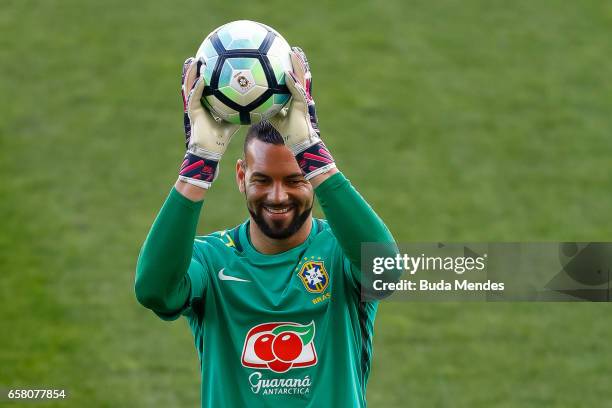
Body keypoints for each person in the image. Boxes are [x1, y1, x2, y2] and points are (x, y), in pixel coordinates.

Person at [135, 47, 399, 407]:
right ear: (241, 176)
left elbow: (387, 270)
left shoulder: (340, 253)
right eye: (262, 180)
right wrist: (198, 166)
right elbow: (153, 290)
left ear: (310, 178)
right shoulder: (210, 262)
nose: (278, 196)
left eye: (295, 180)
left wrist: (314, 154)